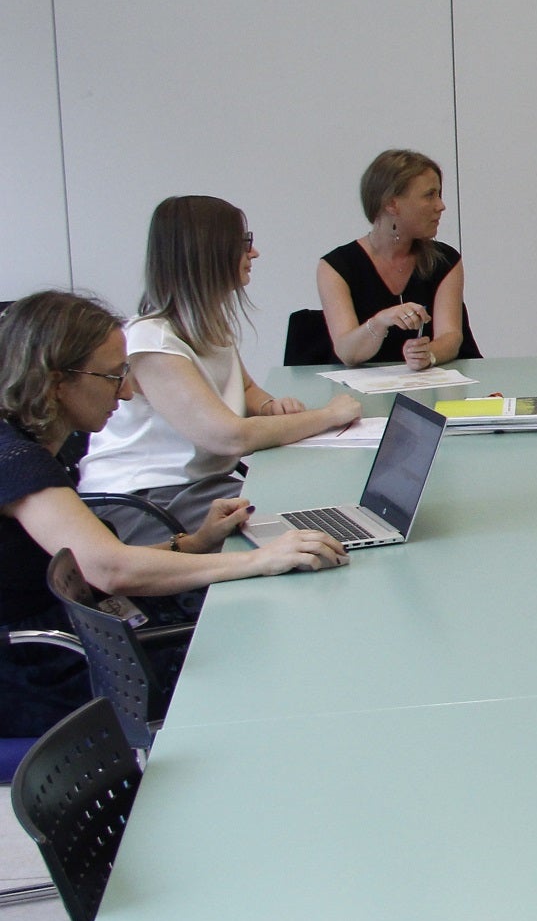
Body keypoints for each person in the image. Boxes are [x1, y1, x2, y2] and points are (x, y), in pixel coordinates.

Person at [0, 292, 346, 735]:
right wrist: (258, 559)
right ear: (56, 383)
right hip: (44, 668)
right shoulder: (17, 461)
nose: (126, 392)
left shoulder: (37, 446)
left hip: (76, 635)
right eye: (112, 376)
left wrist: (194, 544)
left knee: (250, 627)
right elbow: (109, 568)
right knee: (260, 652)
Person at [84, 197, 364, 537]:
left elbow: (243, 387)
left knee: (312, 508)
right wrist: (328, 416)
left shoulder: (208, 324)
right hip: (146, 500)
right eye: (244, 243)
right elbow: (230, 437)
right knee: (305, 519)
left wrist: (268, 405)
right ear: (209, 252)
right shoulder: (152, 341)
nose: (254, 253)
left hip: (195, 488)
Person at [318, 148, 476, 368]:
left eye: (439, 194)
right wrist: (381, 321)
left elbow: (451, 336)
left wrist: (428, 354)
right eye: (430, 195)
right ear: (392, 204)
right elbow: (347, 352)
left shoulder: (445, 261)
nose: (441, 206)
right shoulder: (335, 267)